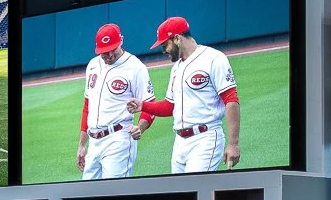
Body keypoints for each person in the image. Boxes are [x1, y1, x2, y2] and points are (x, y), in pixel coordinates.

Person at [133, 15, 240, 172]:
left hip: (206, 138)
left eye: (164, 45)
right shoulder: (177, 67)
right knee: (179, 194)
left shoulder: (213, 59)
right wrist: (143, 105)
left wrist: (233, 144)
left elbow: (231, 99)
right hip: (180, 143)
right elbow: (170, 106)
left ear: (177, 38)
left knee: (195, 190)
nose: (163, 51)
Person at [76, 22, 153, 180]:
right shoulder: (92, 65)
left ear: (121, 41)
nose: (109, 56)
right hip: (94, 142)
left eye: (112, 50)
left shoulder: (135, 67)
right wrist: (82, 145)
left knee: (113, 195)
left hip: (119, 139)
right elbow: (87, 106)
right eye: (104, 52)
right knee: (86, 196)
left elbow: (149, 104)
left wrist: (140, 127)